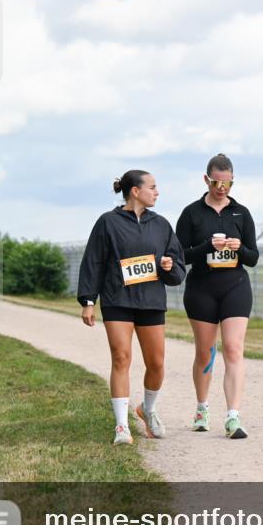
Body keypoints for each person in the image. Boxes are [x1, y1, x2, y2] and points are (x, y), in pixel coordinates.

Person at [78, 170, 186, 445]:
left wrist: (169, 266)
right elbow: (94, 262)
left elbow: (177, 267)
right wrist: (88, 301)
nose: (157, 192)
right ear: (135, 191)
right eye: (153, 187)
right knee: (121, 358)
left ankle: (148, 410)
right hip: (117, 300)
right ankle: (121, 426)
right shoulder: (108, 223)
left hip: (151, 302)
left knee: (157, 363)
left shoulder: (161, 225)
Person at [175, 153, 258, 439]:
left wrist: (238, 249)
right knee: (205, 352)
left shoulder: (242, 213)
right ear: (206, 179)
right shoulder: (191, 213)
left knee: (234, 349)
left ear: (233, 181)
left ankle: (233, 416)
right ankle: (201, 408)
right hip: (201, 288)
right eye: (216, 182)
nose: (221, 188)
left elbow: (253, 257)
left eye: (227, 183)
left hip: (235, 285)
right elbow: (180, 256)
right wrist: (206, 246)